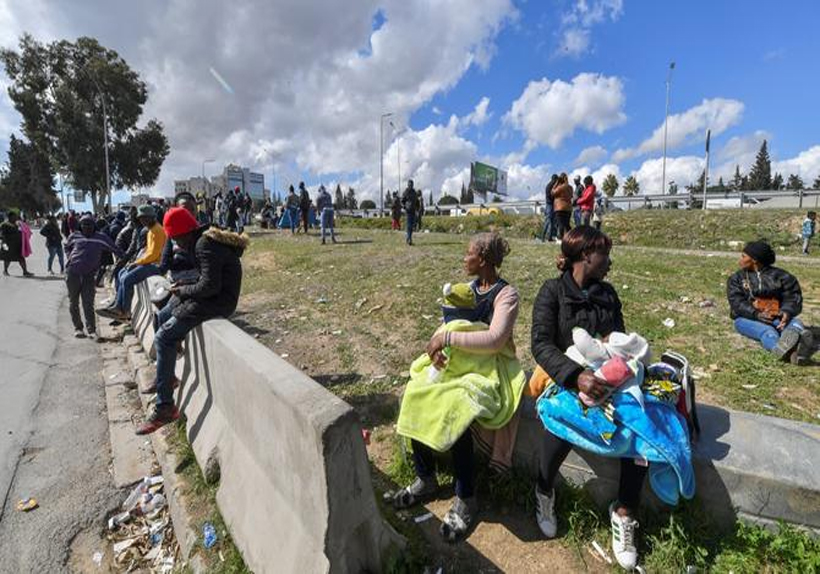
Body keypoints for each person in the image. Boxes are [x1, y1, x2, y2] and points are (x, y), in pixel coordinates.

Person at [393, 232, 523, 541]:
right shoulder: (468, 290)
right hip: (458, 363)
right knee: (417, 390)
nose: (463, 260)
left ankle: (466, 496)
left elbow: (494, 341)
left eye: (468, 254)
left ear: (483, 260)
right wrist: (437, 346)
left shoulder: (506, 295)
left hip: (490, 369)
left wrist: (447, 339)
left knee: (458, 405)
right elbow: (449, 325)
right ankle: (426, 477)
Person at [530, 226, 642, 569]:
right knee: (562, 423)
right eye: (604, 255)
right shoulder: (552, 292)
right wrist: (575, 376)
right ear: (584, 256)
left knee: (640, 429)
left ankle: (624, 511)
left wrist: (611, 361)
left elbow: (618, 338)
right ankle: (544, 490)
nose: (609, 262)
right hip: (562, 374)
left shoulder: (607, 294)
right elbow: (541, 345)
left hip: (605, 378)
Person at [135, 207, 248, 435]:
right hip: (212, 296)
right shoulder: (200, 241)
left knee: (164, 336)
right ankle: (167, 378)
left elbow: (210, 286)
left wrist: (184, 291)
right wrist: (182, 290)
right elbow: (207, 278)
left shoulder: (203, 245)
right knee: (162, 314)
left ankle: (165, 406)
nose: (175, 243)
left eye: (175, 238)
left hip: (218, 301)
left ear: (185, 232)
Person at [727, 240, 813, 364]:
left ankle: (796, 339)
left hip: (777, 317)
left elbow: (793, 298)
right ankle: (789, 349)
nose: (740, 260)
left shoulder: (783, 277)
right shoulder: (737, 279)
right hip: (746, 318)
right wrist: (755, 313)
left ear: (755, 260)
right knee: (767, 332)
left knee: (795, 323)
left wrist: (786, 311)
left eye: (743, 256)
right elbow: (736, 302)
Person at [97, 205, 166, 320]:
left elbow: (153, 254)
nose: (141, 221)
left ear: (151, 217)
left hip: (155, 265)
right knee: (121, 274)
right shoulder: (150, 230)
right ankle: (118, 306)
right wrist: (136, 262)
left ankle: (125, 311)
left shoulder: (157, 231)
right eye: (140, 218)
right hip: (149, 262)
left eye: (144, 218)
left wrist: (137, 263)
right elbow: (147, 251)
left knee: (127, 280)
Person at [65, 215, 124, 339]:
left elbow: (115, 249)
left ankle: (91, 330)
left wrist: (127, 259)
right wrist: (69, 257)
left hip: (89, 275)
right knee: (73, 302)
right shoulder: (74, 235)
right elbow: (67, 246)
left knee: (88, 303)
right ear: (80, 226)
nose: (87, 227)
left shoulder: (101, 238)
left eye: (89, 224)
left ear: (94, 226)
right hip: (72, 273)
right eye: (84, 224)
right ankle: (78, 328)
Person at [1, 211, 33, 277]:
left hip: (17, 245)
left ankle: (25, 271)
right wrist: (4, 244)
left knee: (21, 258)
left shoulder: (17, 224)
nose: (16, 218)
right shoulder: (5, 225)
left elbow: (23, 230)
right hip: (8, 244)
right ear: (10, 217)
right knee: (7, 258)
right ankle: (5, 271)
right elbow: (2, 235)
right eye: (14, 216)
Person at [551, 173, 573, 240]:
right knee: (567, 224)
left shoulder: (560, 187)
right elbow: (571, 196)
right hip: (568, 208)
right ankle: (570, 238)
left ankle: (560, 238)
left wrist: (556, 183)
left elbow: (552, 192)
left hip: (560, 207)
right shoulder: (570, 187)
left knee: (560, 224)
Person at [540, 174, 558, 242]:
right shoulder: (550, 186)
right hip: (550, 205)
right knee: (548, 221)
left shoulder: (550, 185)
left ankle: (549, 237)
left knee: (551, 222)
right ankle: (543, 236)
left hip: (550, 205)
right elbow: (550, 196)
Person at [401, 179, 419, 245]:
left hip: (413, 210)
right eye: (409, 184)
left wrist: (417, 209)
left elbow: (417, 201)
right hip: (408, 210)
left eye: (412, 184)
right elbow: (402, 201)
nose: (411, 185)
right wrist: (404, 207)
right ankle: (409, 239)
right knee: (409, 225)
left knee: (412, 225)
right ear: (408, 185)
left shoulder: (414, 192)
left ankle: (409, 238)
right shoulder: (406, 192)